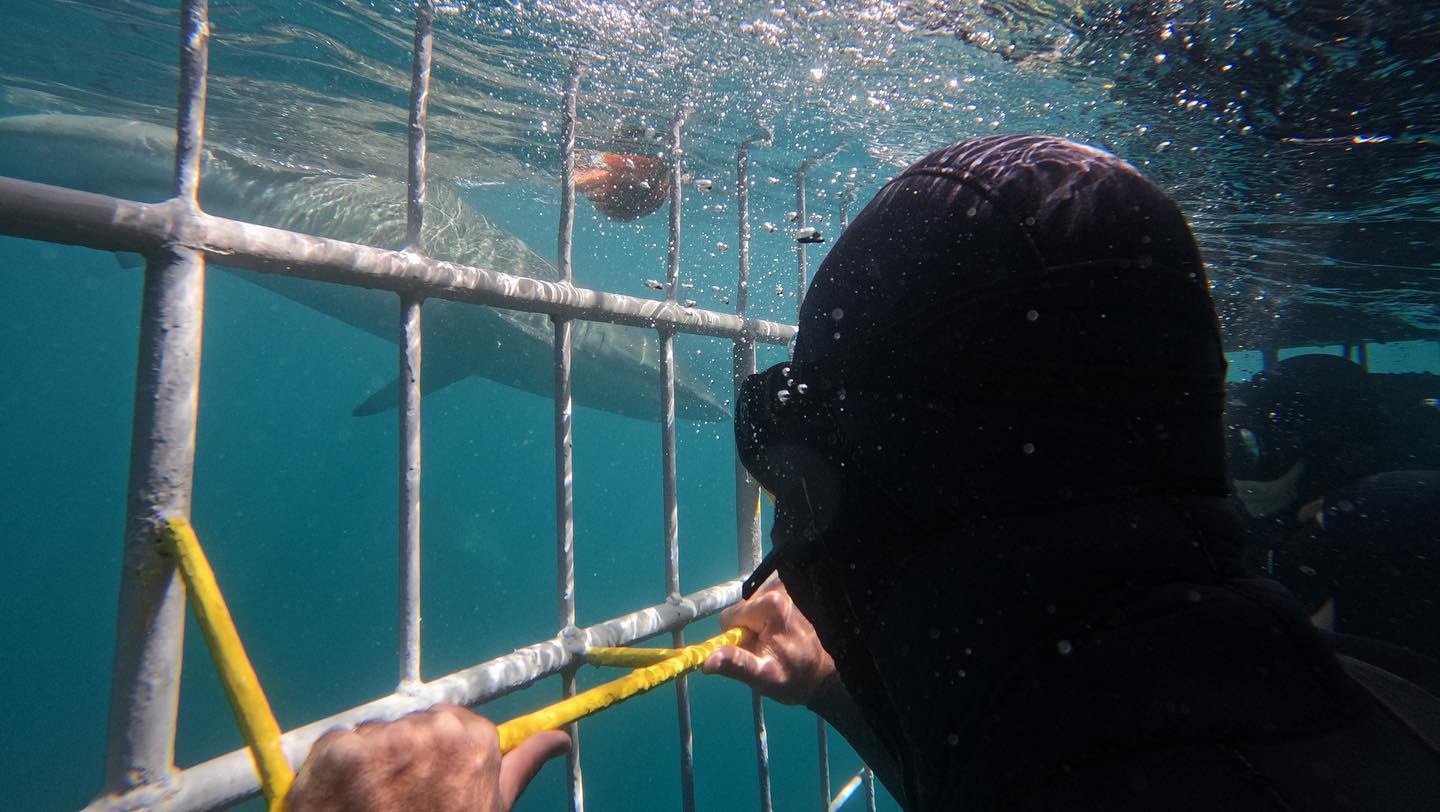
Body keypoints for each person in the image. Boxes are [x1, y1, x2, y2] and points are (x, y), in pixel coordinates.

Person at [290, 135, 1440, 810]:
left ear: (889, 490)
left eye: (806, 474)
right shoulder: (1367, 698)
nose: (795, 531)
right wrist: (840, 687)